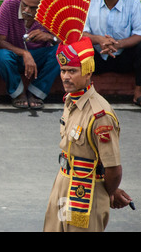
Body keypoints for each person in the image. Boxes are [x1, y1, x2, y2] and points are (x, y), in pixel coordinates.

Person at [43, 35, 132, 231]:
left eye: (72, 71)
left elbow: (113, 168)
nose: (66, 76)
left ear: (88, 72)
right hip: (63, 183)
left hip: (86, 190)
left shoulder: (100, 114)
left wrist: (108, 192)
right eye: (63, 70)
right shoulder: (71, 100)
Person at [0, 0, 59, 109]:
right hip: (14, 56)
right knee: (2, 57)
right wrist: (24, 53)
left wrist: (50, 37)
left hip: (39, 55)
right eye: (24, 5)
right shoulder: (9, 5)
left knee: (61, 53)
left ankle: (36, 93)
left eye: (33, 8)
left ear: (43, 5)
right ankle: (18, 93)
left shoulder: (52, 11)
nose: (27, 10)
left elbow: (65, 41)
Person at [83, 0, 141, 107]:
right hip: (96, 56)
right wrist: (100, 40)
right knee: (76, 46)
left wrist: (117, 44)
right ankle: (82, 91)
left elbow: (139, 33)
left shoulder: (133, 3)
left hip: (122, 57)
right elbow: (82, 33)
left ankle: (139, 92)